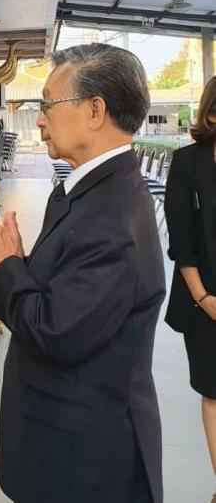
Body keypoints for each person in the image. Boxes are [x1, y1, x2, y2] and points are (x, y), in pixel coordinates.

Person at [0, 43, 165, 502]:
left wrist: (4, 265)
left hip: (87, 459)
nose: (40, 119)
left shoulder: (112, 215)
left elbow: (57, 331)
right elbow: (67, 294)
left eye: (48, 104)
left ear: (95, 110)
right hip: (69, 440)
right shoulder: (91, 190)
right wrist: (19, 263)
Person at [164, 75, 216, 490]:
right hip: (206, 298)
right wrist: (203, 298)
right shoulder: (188, 162)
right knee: (214, 392)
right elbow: (181, 241)